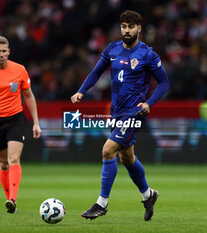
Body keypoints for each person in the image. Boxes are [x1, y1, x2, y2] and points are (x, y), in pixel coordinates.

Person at [71, 10, 170, 221]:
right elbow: (96, 72)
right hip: (116, 112)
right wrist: (81, 91)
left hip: (134, 112)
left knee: (108, 151)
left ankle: (102, 204)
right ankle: (148, 195)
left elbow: (164, 83)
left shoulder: (148, 54)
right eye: (124, 26)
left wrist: (149, 103)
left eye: (131, 27)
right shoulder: (112, 49)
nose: (127, 30)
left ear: (139, 29)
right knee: (127, 158)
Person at [0, 36, 42, 214]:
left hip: (16, 119)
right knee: (3, 164)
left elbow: (29, 96)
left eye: (4, 51)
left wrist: (35, 122)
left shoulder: (19, 70)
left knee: (13, 159)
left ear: (9, 52)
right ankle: (9, 197)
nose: (1, 54)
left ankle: (13, 200)